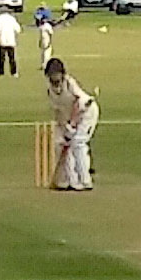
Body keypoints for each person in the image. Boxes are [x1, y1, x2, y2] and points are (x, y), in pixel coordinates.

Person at [45, 58, 99, 191]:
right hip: (70, 118)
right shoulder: (50, 90)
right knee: (63, 144)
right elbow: (58, 112)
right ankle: (69, 180)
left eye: (57, 73)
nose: (55, 77)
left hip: (86, 113)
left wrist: (72, 125)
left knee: (78, 143)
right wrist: (64, 129)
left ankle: (85, 181)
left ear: (62, 73)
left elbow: (77, 103)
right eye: (52, 74)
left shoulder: (69, 83)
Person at [0, 7, 21, 77]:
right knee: (12, 58)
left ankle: (1, 73)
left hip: (2, 41)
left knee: (1, 58)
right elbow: (18, 29)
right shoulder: (12, 19)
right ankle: (14, 72)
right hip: (11, 41)